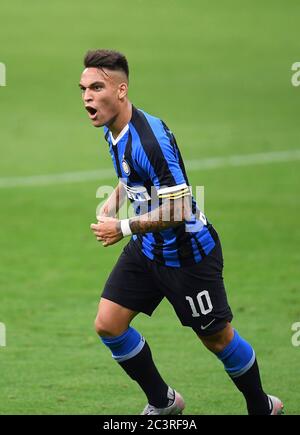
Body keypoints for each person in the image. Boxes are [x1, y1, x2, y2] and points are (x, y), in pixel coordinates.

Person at [80, 49, 283, 415]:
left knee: (218, 339)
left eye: (97, 87)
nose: (87, 97)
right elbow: (132, 177)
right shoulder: (114, 130)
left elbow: (179, 208)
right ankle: (164, 402)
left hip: (187, 256)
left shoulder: (149, 139)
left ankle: (262, 405)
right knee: (108, 325)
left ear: (121, 90)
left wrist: (122, 226)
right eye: (83, 89)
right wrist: (113, 202)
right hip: (148, 249)